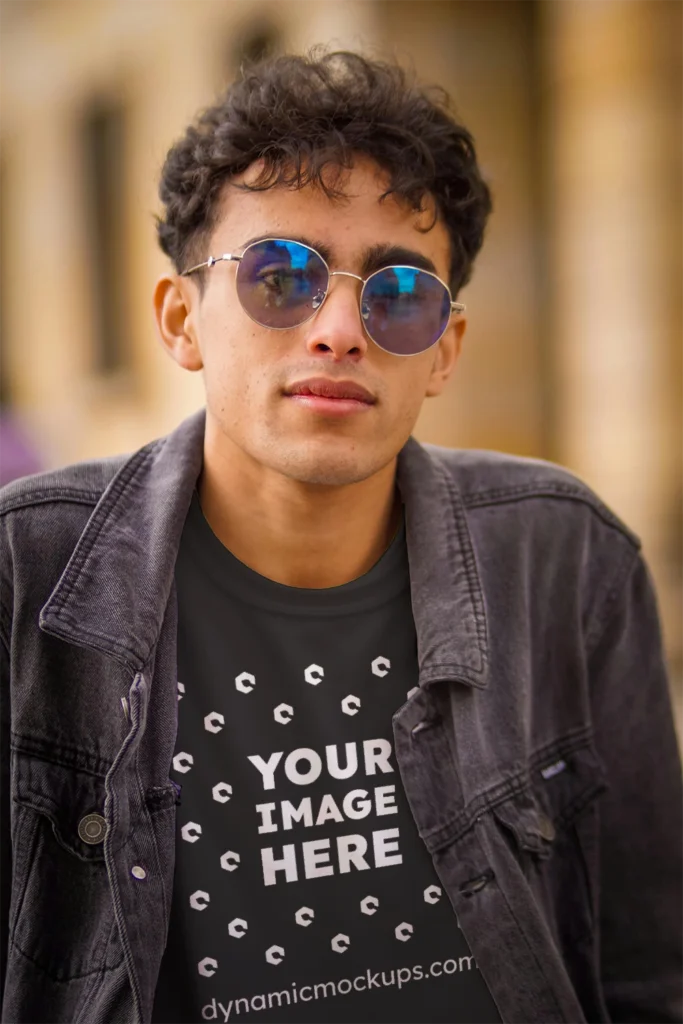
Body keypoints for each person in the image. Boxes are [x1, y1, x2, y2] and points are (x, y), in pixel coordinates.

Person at [1, 49, 682, 1024]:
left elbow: (646, 976)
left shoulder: (564, 558)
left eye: (397, 293)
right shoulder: (26, 574)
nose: (336, 329)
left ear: (442, 349)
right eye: (279, 276)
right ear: (180, 319)